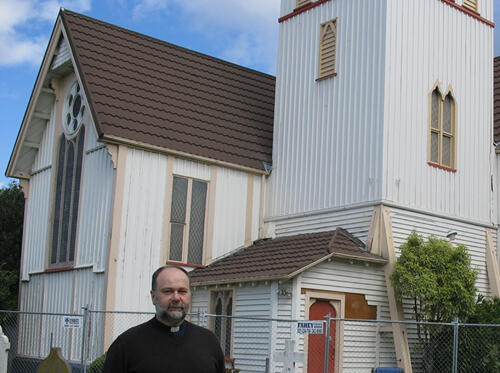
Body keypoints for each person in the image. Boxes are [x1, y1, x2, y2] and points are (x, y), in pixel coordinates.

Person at [103, 266, 225, 373]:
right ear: (153, 297)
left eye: (182, 291)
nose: (176, 298)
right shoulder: (125, 345)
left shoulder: (209, 342)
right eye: (168, 291)